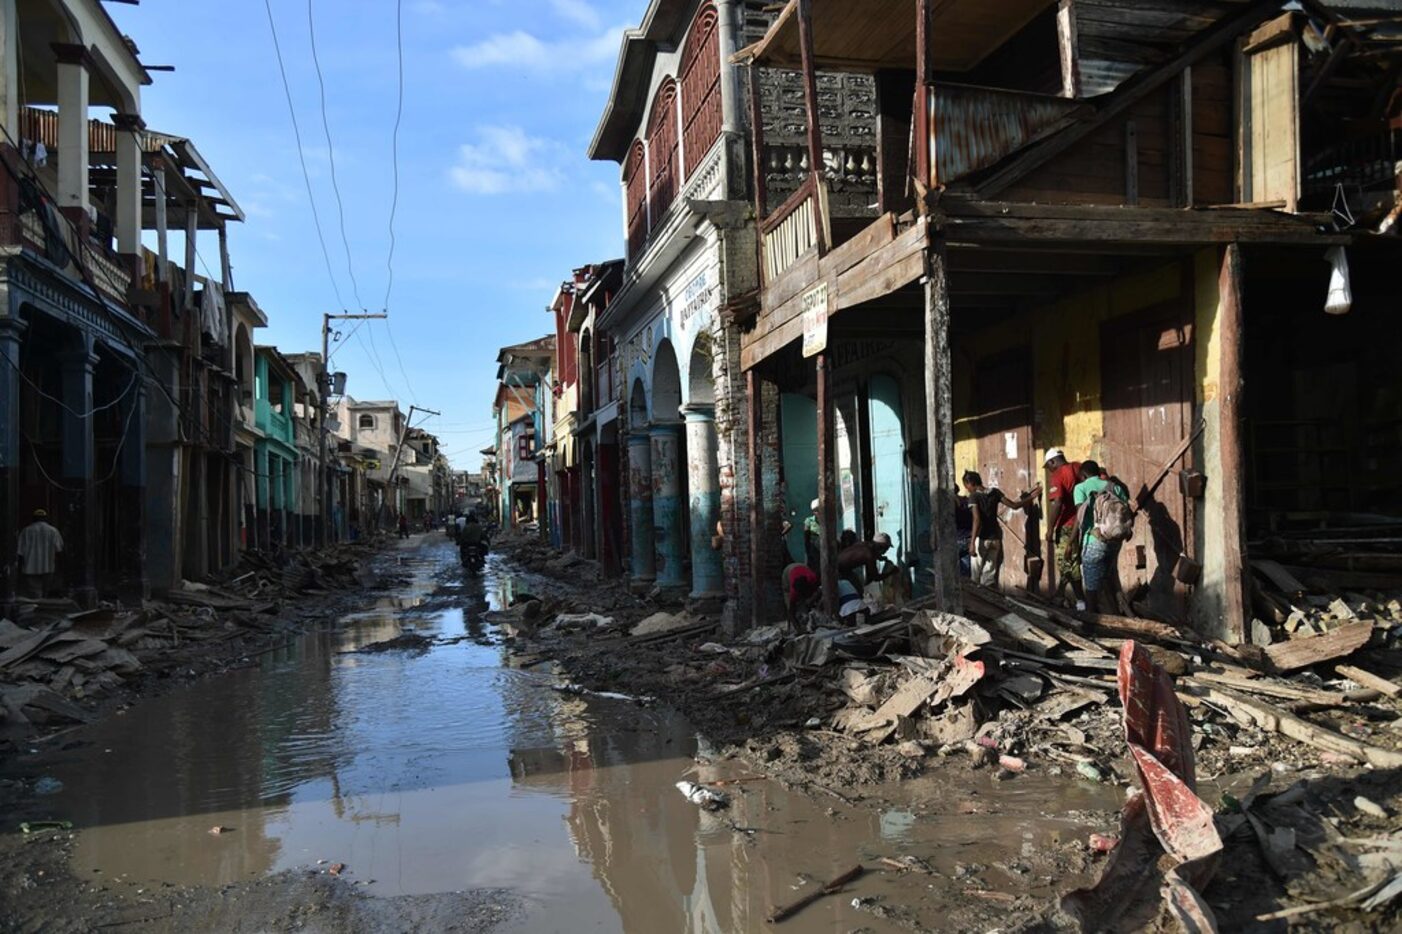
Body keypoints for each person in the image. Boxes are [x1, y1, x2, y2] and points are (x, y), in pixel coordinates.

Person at [962, 470, 1041, 589]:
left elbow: (977, 520)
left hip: (982, 539)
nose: (967, 489)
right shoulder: (995, 492)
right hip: (995, 539)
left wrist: (972, 542)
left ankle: (976, 602)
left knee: (975, 576)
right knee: (989, 576)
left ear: (971, 483)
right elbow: (1014, 506)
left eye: (966, 486)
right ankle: (987, 600)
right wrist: (1030, 497)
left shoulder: (974, 496)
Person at [1073, 461, 1132, 614]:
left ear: (1083, 474)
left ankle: (1092, 622)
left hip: (1094, 541)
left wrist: (1072, 540)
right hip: (1115, 541)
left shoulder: (1081, 488)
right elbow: (1126, 512)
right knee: (1109, 579)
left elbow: (1080, 517)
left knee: (1091, 588)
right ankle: (1115, 617)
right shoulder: (1115, 487)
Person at [1044, 448, 1086, 609]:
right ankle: (1060, 595)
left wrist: (1050, 528)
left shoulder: (1058, 475)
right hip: (1083, 523)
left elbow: (1057, 502)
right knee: (1069, 561)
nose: (1049, 471)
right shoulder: (1078, 467)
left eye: (1048, 466)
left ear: (1053, 461)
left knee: (1068, 562)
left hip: (1067, 525)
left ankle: (1081, 601)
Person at [16, 509, 63, 599]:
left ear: (34, 519)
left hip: (30, 567)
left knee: (34, 592)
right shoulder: (53, 531)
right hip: (48, 566)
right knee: (46, 590)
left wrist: (19, 568)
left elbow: (20, 552)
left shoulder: (26, 531)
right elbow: (59, 550)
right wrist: (59, 567)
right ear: (45, 519)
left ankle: (37, 604)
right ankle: (43, 604)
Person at [782, 561, 820, 628]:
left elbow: (820, 590)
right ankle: (790, 626)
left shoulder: (812, 579)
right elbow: (791, 612)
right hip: (788, 571)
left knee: (809, 601)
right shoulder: (794, 592)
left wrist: (812, 602)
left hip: (802, 566)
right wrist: (798, 629)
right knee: (788, 602)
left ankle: (806, 617)